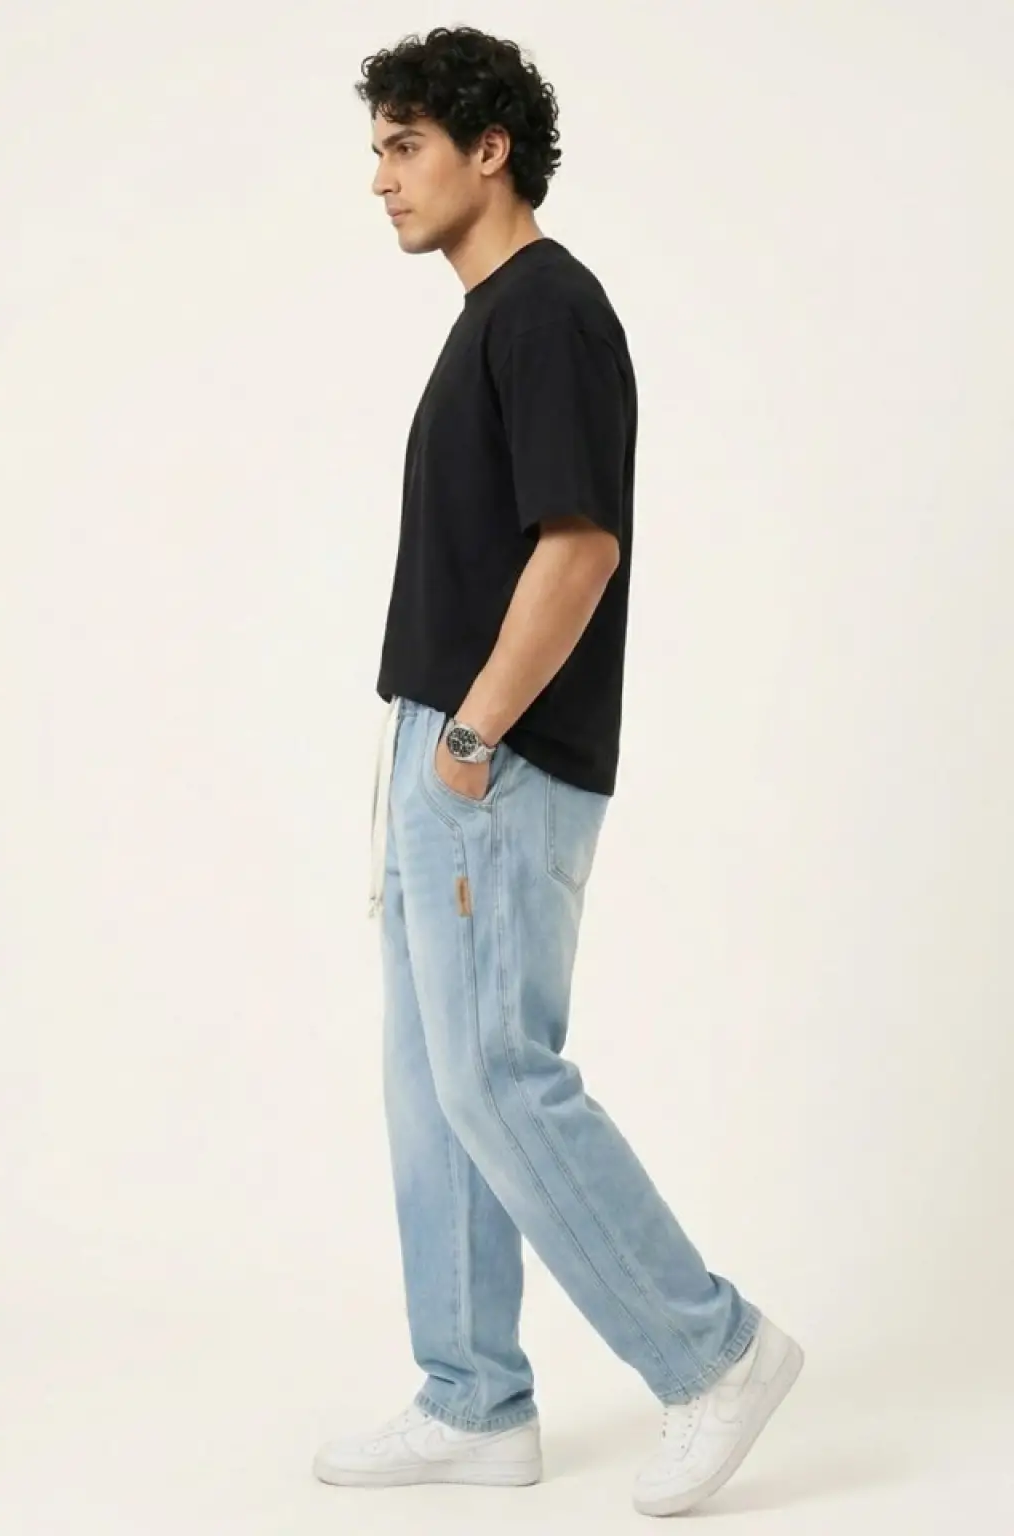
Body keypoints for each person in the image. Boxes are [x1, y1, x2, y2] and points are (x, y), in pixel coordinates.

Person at [313, 25, 804, 1518]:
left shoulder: (547, 311)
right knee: (437, 1093)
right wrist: (430, 747)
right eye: (378, 149)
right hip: (442, 750)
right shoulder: (492, 320)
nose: (381, 178)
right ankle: (474, 1401)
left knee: (499, 1078)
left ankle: (716, 1353)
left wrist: (470, 740)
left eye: (406, 146)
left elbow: (578, 547)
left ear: (491, 149)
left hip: (494, 758)